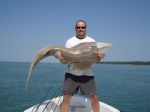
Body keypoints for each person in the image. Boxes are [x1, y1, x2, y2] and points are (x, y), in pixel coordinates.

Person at [55, 20, 105, 112]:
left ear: (86, 28)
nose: (80, 29)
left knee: (94, 98)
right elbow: (65, 62)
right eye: (78, 27)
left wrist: (99, 58)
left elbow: (95, 61)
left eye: (83, 27)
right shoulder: (69, 41)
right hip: (71, 75)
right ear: (75, 29)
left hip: (87, 75)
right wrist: (59, 58)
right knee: (66, 99)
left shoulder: (92, 41)